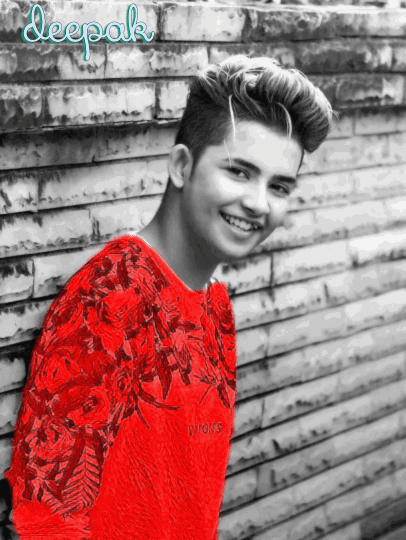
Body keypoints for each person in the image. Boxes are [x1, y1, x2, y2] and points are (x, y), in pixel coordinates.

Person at [4, 55, 336, 540]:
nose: (258, 203)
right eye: (239, 171)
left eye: (279, 186)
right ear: (182, 166)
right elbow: (44, 521)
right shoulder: (112, 293)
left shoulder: (215, 304)